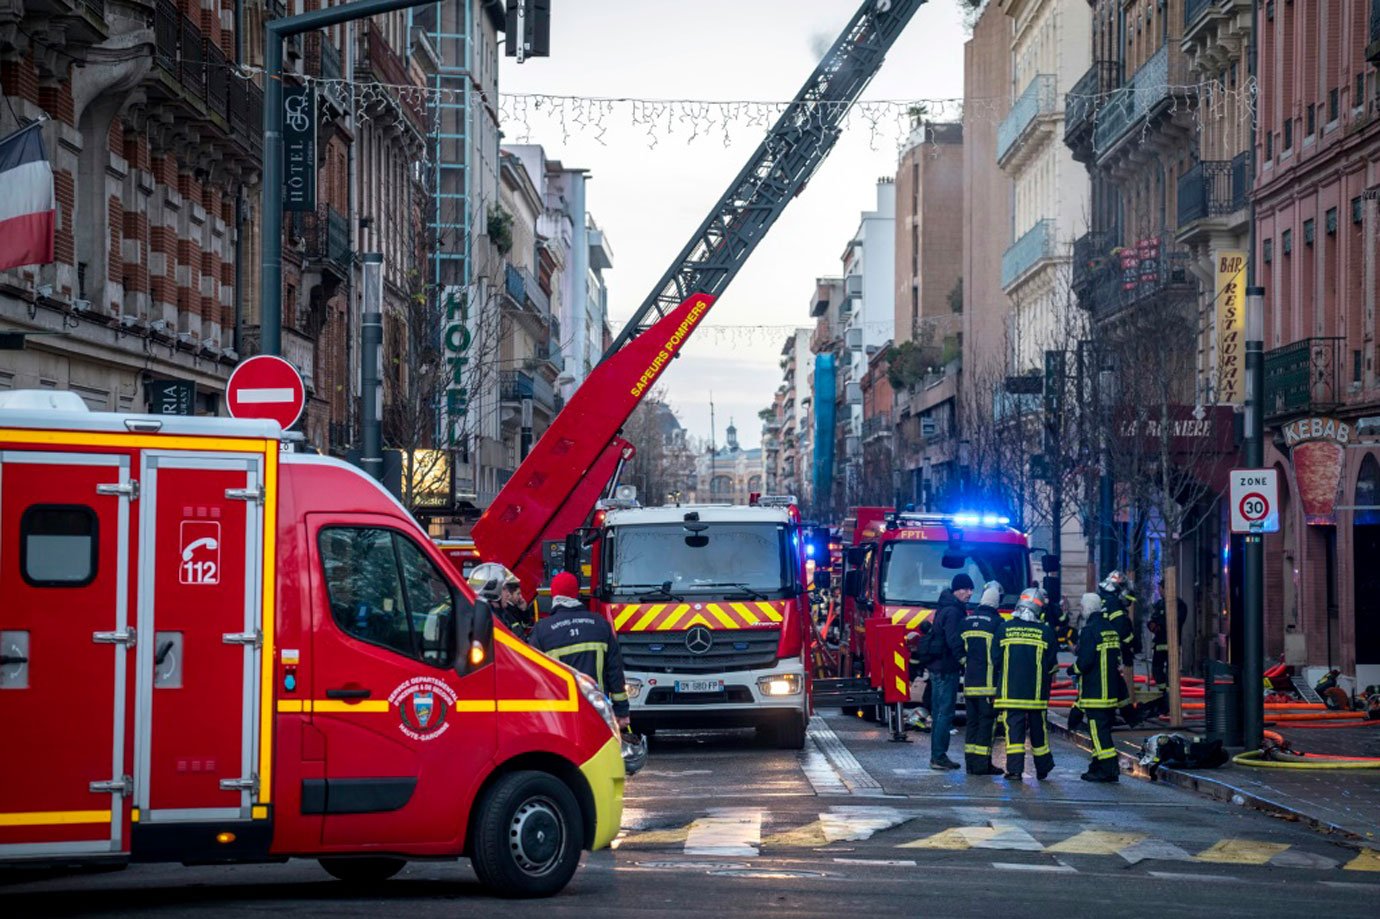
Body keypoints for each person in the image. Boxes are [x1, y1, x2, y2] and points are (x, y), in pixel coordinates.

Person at [529, 571, 630, 728]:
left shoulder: (542, 630)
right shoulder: (600, 624)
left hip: (561, 716)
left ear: (554, 596)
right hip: (598, 713)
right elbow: (615, 672)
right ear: (576, 594)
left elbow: (534, 677)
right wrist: (622, 712)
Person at [994, 587, 1058, 780]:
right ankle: (1043, 767)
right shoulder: (1045, 631)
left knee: (1013, 731)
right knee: (1039, 730)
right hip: (1036, 694)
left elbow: (995, 659)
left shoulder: (1005, 628)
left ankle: (1014, 770)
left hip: (1010, 692)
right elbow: (1052, 665)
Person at [910, 573, 970, 770]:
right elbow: (954, 638)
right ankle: (939, 756)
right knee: (945, 713)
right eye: (965, 589)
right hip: (946, 667)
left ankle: (937, 755)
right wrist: (963, 658)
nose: (969, 593)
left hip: (937, 666)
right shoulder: (953, 611)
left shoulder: (944, 607)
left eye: (971, 590)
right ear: (956, 590)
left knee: (938, 713)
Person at [1072, 589, 1128, 782]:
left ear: (1087, 608)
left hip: (1095, 692)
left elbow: (1085, 662)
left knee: (1098, 733)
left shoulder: (1089, 631)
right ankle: (1096, 766)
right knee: (1101, 731)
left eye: (1081, 606)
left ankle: (1108, 768)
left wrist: (1073, 669)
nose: (1080, 609)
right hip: (1110, 692)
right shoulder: (1109, 629)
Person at [961, 580, 1005, 775]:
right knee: (987, 724)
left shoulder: (967, 621)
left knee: (972, 723)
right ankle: (982, 764)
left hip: (970, 683)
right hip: (988, 685)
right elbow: (999, 656)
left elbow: (961, 649)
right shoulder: (997, 623)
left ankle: (971, 763)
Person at [1099, 570, 1139, 725]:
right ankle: (1115, 717)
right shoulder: (1114, 603)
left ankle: (1127, 716)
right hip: (1109, 650)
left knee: (1116, 683)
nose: (1128, 602)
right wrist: (1129, 646)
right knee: (1112, 683)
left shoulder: (1103, 598)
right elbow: (1121, 629)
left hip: (1102, 648)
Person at [467, 562, 533, 638]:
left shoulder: (501, 615)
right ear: (492, 591)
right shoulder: (487, 621)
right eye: (504, 589)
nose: (508, 594)